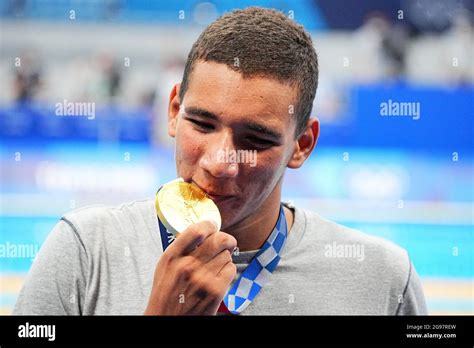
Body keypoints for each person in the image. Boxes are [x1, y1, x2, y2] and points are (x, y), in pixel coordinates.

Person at [13, 7, 427, 315]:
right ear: (173, 110)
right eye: (202, 123)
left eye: (256, 139)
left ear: (302, 144)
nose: (219, 162)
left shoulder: (383, 278)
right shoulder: (85, 251)